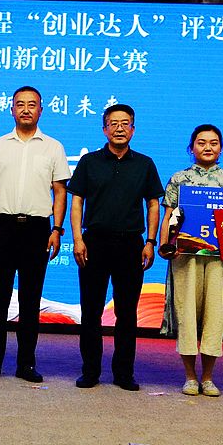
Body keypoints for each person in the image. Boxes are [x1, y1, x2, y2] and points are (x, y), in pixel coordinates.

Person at [0, 86, 69, 383]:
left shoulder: (53, 147)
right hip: (1, 228)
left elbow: (60, 192)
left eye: (32, 104)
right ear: (11, 109)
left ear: (41, 109)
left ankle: (26, 364)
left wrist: (56, 229)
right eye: (20, 104)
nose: (26, 109)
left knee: (30, 301)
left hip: (37, 230)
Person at [68, 104, 163, 391]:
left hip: (131, 244)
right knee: (91, 310)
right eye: (114, 123)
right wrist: (77, 239)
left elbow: (153, 204)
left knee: (127, 312)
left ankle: (124, 373)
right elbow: (76, 202)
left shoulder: (145, 164)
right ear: (104, 129)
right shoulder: (89, 162)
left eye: (125, 123)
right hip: (94, 242)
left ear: (133, 129)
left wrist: (150, 242)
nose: (119, 128)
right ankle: (90, 371)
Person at [158, 124, 223, 397]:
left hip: (221, 259)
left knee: (214, 316)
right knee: (186, 314)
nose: (207, 147)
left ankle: (207, 378)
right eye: (201, 142)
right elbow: (168, 215)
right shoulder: (179, 178)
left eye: (213, 142)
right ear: (192, 147)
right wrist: (164, 245)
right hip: (185, 257)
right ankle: (189, 377)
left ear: (221, 148)